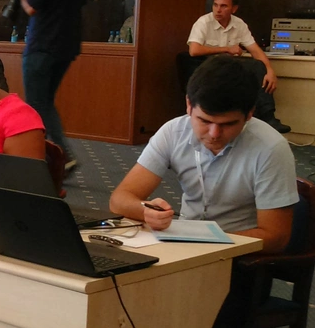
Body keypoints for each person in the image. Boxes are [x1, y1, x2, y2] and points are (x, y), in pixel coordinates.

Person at [109, 55, 298, 254]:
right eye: (205, 121)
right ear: (189, 105)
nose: (214, 134)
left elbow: (276, 237)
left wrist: (206, 245)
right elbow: (119, 199)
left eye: (228, 124)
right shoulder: (173, 132)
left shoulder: (270, 148)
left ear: (250, 113)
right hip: (182, 243)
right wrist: (145, 210)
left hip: (237, 252)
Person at [6, 0, 94, 172]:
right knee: (45, 101)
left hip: (43, 41)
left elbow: (32, 7)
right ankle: (54, 156)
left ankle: (60, 155)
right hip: (68, 43)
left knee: (37, 103)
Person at [186, 0, 288, 133]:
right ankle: (256, 117)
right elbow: (194, 50)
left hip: (228, 65)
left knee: (258, 66)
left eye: (223, 6)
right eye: (215, 5)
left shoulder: (239, 24)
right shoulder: (204, 22)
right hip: (208, 65)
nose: (218, 10)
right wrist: (226, 49)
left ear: (234, 9)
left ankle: (267, 116)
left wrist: (270, 71)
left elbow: (255, 50)